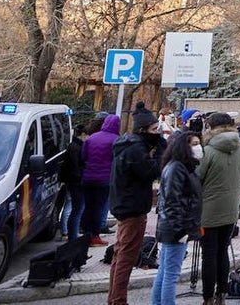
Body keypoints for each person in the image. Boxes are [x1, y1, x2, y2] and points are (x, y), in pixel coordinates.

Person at [108, 102, 167, 305]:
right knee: (126, 256)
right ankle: (118, 300)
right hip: (132, 208)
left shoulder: (128, 144)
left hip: (125, 205)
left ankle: (115, 299)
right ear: (142, 130)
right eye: (153, 130)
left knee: (121, 254)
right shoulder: (134, 148)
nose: (156, 133)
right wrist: (160, 151)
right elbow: (151, 172)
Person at [198, 112, 240, 305]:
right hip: (231, 210)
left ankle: (208, 297)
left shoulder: (208, 150)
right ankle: (222, 295)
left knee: (209, 255)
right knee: (223, 252)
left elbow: (198, 177)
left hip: (208, 212)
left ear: (211, 127)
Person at [150, 130, 203, 305]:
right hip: (176, 230)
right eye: (194, 144)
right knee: (170, 275)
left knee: (165, 272)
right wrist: (181, 230)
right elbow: (173, 202)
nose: (199, 147)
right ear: (184, 147)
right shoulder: (177, 168)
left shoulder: (183, 167)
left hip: (175, 228)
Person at [81, 112, 120, 247]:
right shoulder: (116, 140)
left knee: (88, 206)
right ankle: (95, 235)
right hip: (104, 178)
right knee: (99, 206)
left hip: (88, 177)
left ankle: (85, 232)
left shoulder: (91, 138)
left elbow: (83, 156)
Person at [58, 123, 88, 241]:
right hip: (75, 183)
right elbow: (75, 167)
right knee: (73, 208)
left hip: (72, 182)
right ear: (84, 135)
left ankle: (68, 231)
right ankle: (68, 232)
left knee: (72, 207)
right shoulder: (76, 148)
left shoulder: (74, 146)